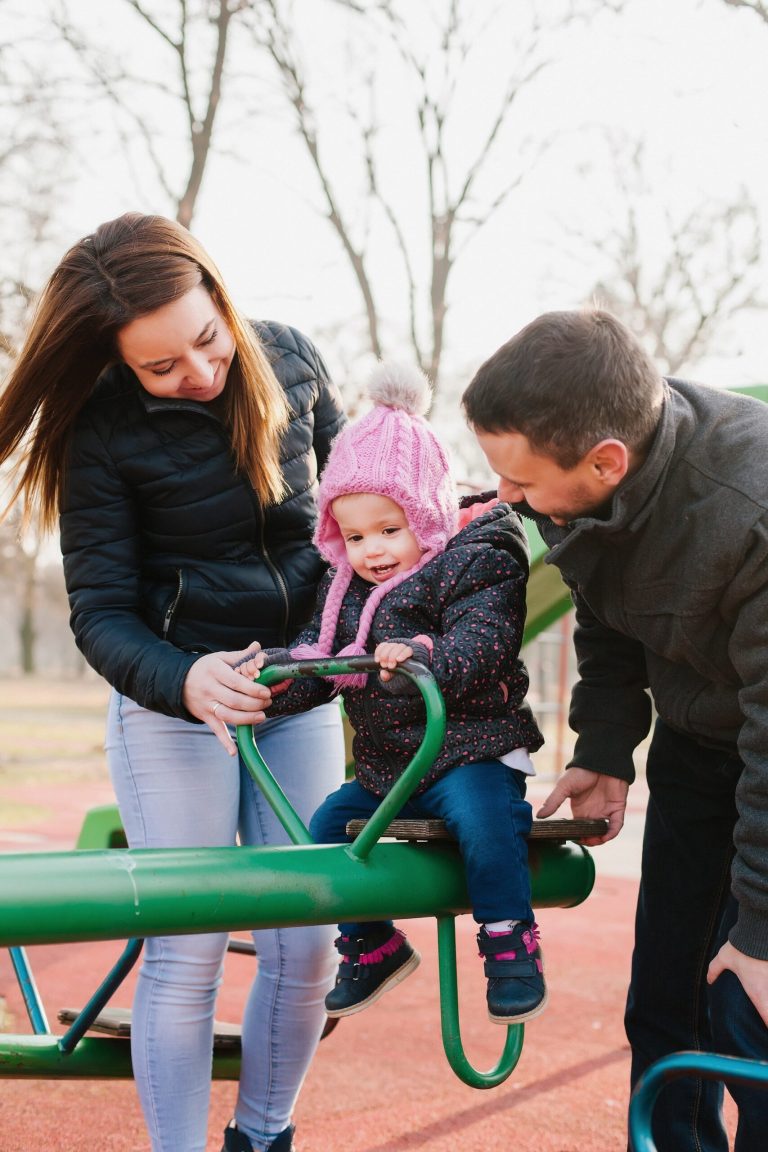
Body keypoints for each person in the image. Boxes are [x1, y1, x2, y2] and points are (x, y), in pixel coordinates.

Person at [0, 212, 348, 1152]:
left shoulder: (292, 363)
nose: (198, 374)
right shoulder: (100, 433)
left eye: (206, 340)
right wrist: (187, 680)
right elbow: (100, 614)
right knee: (189, 946)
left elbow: (360, 518)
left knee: (308, 941)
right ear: (118, 363)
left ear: (222, 302)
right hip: (176, 704)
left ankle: (263, 1135)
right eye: (163, 368)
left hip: (298, 696)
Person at [461, 307, 768, 1152]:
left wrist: (764, 932)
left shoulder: (749, 507)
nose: (506, 499)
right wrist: (604, 750)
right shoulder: (582, 497)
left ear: (607, 462)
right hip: (699, 744)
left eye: (520, 481)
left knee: (753, 1002)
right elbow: (602, 614)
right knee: (666, 1001)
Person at [236, 361, 546, 1025]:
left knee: (486, 824)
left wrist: (422, 658)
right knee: (322, 833)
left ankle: (508, 943)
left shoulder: (480, 556)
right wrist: (269, 681)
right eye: (353, 536)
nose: (371, 551)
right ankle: (373, 945)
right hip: (390, 768)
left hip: (469, 749)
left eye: (388, 529)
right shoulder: (347, 585)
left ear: (426, 515)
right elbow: (328, 661)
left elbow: (484, 643)